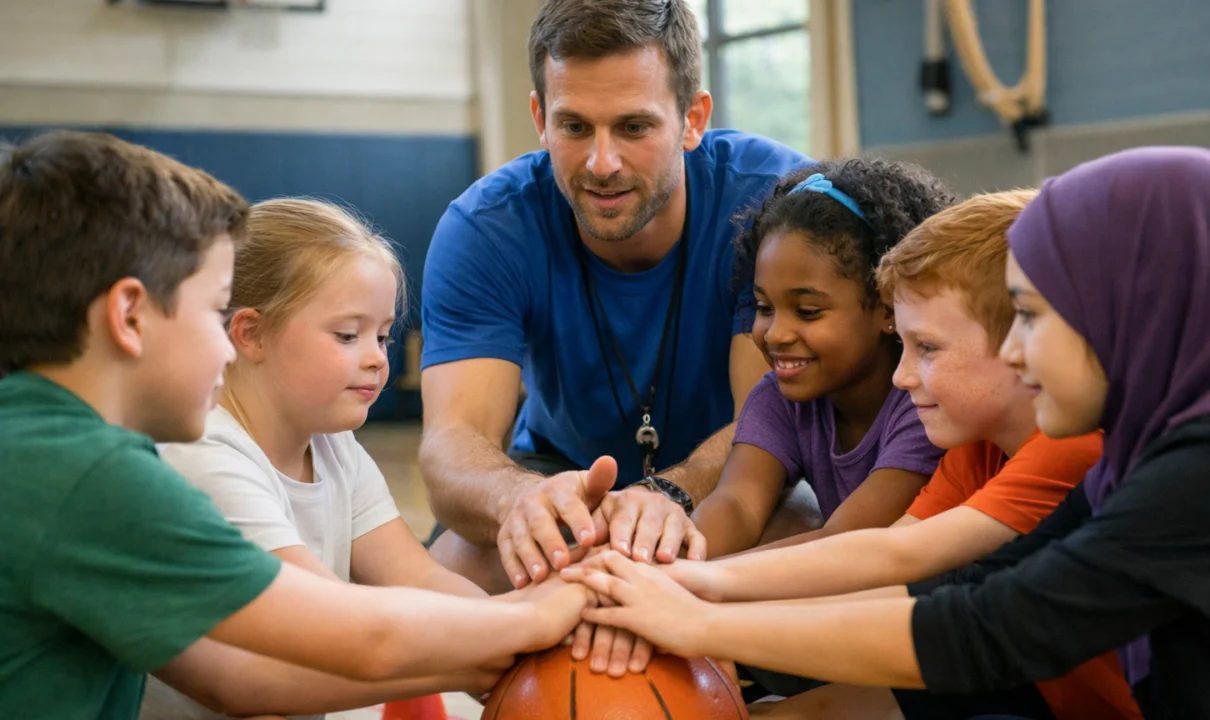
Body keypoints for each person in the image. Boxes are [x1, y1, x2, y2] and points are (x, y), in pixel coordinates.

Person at [565, 147, 1210, 719]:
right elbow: (968, 581)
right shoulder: (1159, 446)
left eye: (1032, 316)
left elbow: (994, 626)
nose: (1017, 350)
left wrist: (699, 622)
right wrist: (683, 585)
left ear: (1139, 309)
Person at [0, 130, 590, 719]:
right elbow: (357, 634)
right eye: (213, 311)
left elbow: (238, 680)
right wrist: (539, 615)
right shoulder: (92, 473)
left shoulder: (45, 445)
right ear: (129, 316)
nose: (224, 344)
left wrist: (490, 653)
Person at [669, 189, 1138, 719]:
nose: (902, 375)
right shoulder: (975, 445)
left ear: (1022, 341)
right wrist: (672, 589)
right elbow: (887, 553)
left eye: (927, 348)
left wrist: (687, 606)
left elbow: (898, 562)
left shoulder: (1073, 446)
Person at [417, 0, 812, 600]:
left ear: (692, 119)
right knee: (448, 579)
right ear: (540, 119)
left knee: (813, 540)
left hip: (730, 477)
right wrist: (520, 499)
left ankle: (753, 694)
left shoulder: (772, 204)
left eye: (633, 127)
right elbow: (451, 446)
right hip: (559, 474)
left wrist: (668, 495)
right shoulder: (486, 227)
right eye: (575, 127)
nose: (602, 164)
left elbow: (768, 423)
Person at [140, 198, 506, 719]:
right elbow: (340, 623)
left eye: (382, 335)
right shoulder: (205, 456)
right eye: (347, 335)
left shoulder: (334, 446)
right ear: (251, 334)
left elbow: (418, 578)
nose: (378, 357)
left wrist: (522, 638)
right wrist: (523, 625)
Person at [692, 157, 951, 561]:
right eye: (764, 306)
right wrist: (661, 562)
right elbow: (737, 505)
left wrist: (680, 583)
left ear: (887, 309)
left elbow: (848, 542)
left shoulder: (925, 403)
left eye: (808, 312)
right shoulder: (779, 397)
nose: (776, 334)